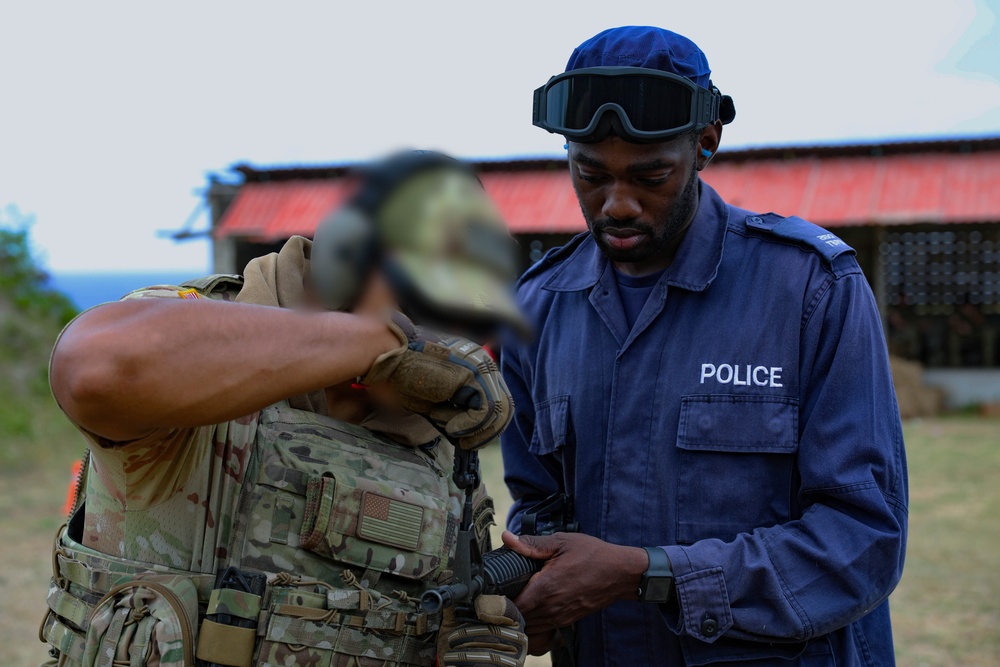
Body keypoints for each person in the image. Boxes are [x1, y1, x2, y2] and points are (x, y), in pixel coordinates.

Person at [499, 26, 908, 666]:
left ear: (706, 143)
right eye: (591, 174)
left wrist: (649, 574)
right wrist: (530, 590)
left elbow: (862, 537)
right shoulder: (537, 309)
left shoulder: (810, 289)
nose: (619, 204)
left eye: (651, 175)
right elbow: (538, 506)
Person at [39, 150, 530, 667]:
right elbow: (93, 369)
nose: (443, 347)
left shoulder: (439, 438)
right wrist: (378, 346)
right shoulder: (193, 343)